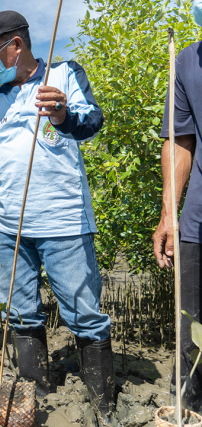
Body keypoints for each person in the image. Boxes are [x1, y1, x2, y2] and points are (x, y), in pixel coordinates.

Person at [0, 11, 113, 422]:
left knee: (83, 312)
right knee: (19, 311)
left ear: (15, 45)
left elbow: (92, 121)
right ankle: (37, 394)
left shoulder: (63, 76)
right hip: (9, 226)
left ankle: (102, 405)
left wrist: (64, 116)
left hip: (63, 222)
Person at [152, 1, 202, 411]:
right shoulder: (187, 61)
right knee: (192, 333)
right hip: (199, 222)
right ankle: (189, 408)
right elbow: (180, 141)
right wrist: (170, 215)